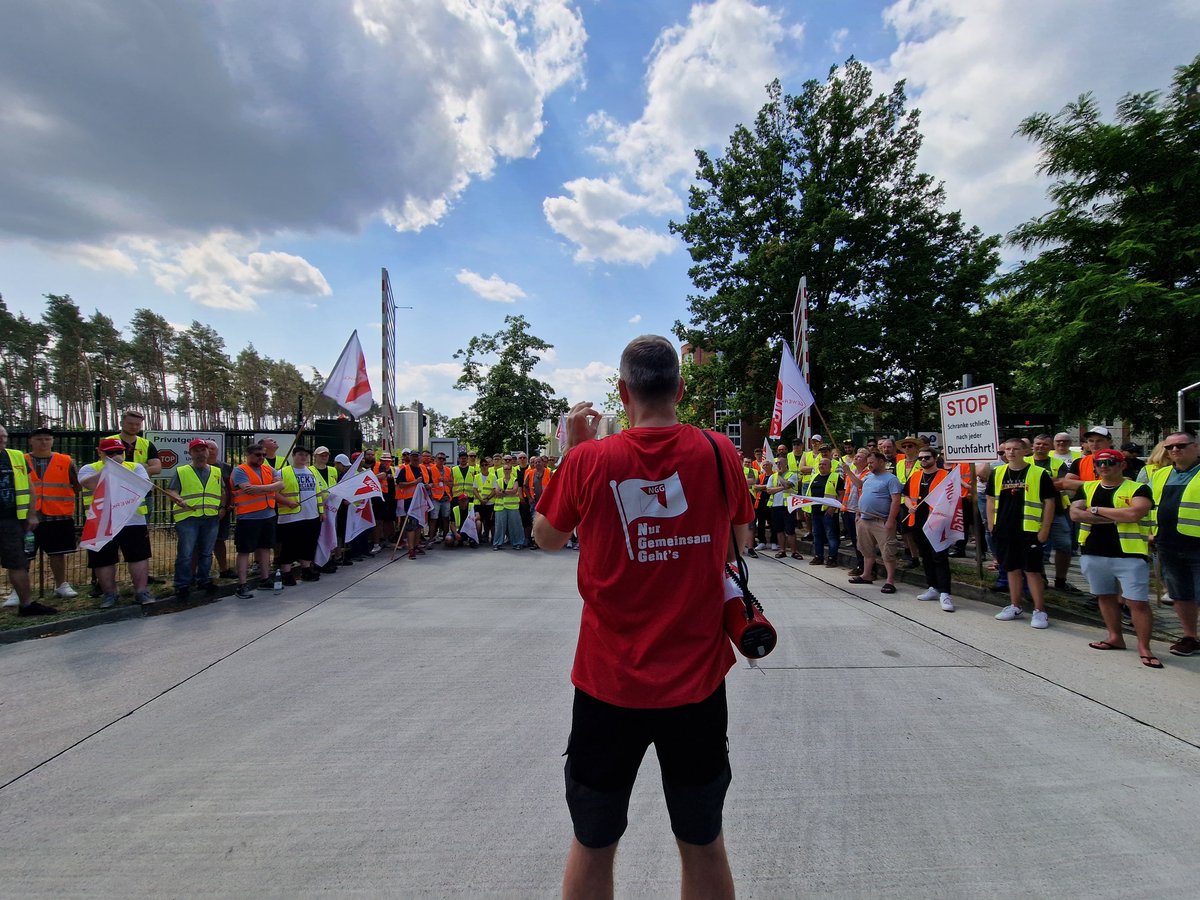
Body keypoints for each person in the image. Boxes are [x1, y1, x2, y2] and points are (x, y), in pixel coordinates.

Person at [532, 335, 753, 900]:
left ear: (622, 392)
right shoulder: (719, 452)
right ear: (679, 388)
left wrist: (570, 453)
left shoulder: (589, 459)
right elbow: (742, 541)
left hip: (608, 684)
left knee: (593, 841)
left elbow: (547, 537)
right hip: (697, 683)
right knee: (703, 840)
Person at [1068, 448, 1158, 667]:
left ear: (1122, 465)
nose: (1104, 466)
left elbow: (1134, 513)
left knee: (1137, 602)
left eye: (1110, 462)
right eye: (1099, 463)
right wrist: (1116, 517)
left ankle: (1144, 647)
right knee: (1105, 597)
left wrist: (1095, 510)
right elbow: (1075, 514)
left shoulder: (1138, 488)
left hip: (1130, 554)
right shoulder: (1087, 487)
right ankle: (1115, 637)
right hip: (1093, 551)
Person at [987, 438, 1058, 629]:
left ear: (1025, 451)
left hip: (1029, 529)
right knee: (1011, 568)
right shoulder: (997, 472)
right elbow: (990, 499)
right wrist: (992, 524)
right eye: (1008, 449)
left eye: (1016, 449)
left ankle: (1040, 610)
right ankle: (1015, 606)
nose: (1011, 452)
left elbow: (1050, 502)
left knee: (1032, 570)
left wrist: (1045, 528)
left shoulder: (1039, 473)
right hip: (1004, 528)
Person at [79, 438, 153, 609]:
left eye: (119, 452)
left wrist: (118, 469)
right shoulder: (89, 469)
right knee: (103, 560)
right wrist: (109, 468)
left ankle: (141, 591)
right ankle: (110, 594)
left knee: (138, 556)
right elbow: (89, 484)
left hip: (132, 520)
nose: (115, 456)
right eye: (110, 453)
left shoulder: (136, 467)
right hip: (101, 522)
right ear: (100, 453)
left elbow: (144, 486)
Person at [1148, 431, 1200, 657]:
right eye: (1170, 447)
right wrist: (1150, 533)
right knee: (1180, 593)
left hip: (1197, 545)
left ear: (1196, 447)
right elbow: (1150, 507)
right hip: (1168, 543)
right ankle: (1190, 637)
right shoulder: (1160, 475)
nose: (1175, 450)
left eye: (1181, 445)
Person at [0, 424, 57, 616]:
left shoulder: (15, 456)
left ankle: (26, 605)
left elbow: (29, 486)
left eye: (4, 436)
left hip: (11, 520)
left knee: (17, 562)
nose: (2, 440)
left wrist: (32, 514)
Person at [23, 427, 81, 601]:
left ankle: (61, 585)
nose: (43, 442)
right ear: (30, 441)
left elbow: (77, 485)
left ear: (53, 441)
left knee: (58, 554)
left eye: (47, 439)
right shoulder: (21, 460)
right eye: (39, 439)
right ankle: (19, 590)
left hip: (58, 515)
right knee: (24, 555)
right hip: (27, 516)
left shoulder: (66, 461)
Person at [163, 439, 222, 599]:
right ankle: (182, 584)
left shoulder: (216, 471)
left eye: (203, 450)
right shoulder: (182, 471)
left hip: (210, 517)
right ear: (190, 453)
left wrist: (222, 507)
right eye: (196, 450)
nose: (200, 453)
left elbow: (221, 491)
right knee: (186, 553)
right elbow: (171, 490)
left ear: (208, 452)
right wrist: (178, 499)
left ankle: (204, 580)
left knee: (206, 552)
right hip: (188, 517)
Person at [903, 447, 956, 612]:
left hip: (937, 522)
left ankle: (945, 592)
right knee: (925, 556)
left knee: (939, 557)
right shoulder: (916, 475)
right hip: (918, 522)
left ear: (934, 458)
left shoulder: (945, 476)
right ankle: (932, 587)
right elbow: (907, 496)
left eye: (927, 457)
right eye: (921, 458)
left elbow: (952, 498)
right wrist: (910, 506)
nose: (923, 460)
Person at [843, 451, 901, 593]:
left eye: (872, 463)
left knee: (887, 552)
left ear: (881, 462)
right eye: (868, 463)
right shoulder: (868, 476)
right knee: (866, 550)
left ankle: (890, 581)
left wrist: (891, 520)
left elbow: (896, 500)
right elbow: (860, 486)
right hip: (864, 520)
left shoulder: (891, 479)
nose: (869, 465)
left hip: (881, 521)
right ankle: (866, 574)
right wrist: (849, 472)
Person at [231, 442, 283, 598]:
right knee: (245, 550)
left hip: (268, 515)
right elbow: (248, 489)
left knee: (265, 548)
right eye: (258, 455)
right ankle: (242, 584)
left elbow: (280, 484)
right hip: (248, 517)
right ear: (248, 455)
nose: (261, 457)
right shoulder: (240, 470)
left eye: (263, 455)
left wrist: (260, 488)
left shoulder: (268, 469)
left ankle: (264, 579)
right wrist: (271, 487)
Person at [275, 446, 325, 583]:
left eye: (306, 455)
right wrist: (287, 502)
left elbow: (318, 493)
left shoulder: (312, 472)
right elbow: (274, 493)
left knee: (308, 544)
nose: (303, 457)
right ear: (293, 456)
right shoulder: (283, 472)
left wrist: (321, 511)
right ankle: (286, 573)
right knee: (289, 545)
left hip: (311, 515)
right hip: (291, 516)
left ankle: (306, 570)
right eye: (300, 454)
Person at [205, 439, 235, 578]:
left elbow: (231, 488)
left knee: (220, 540)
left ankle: (224, 569)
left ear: (217, 451)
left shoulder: (225, 467)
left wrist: (228, 506)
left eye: (213, 448)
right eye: (207, 448)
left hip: (223, 511)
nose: (210, 450)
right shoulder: (195, 468)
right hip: (202, 511)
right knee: (200, 543)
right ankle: (200, 574)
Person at [804, 455, 842, 567]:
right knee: (817, 535)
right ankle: (818, 557)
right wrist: (807, 509)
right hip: (815, 512)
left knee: (831, 536)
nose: (821, 466)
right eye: (820, 464)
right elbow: (809, 495)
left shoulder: (836, 477)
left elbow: (841, 494)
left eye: (824, 464)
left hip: (829, 513)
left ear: (830, 467)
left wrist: (833, 507)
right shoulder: (814, 477)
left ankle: (832, 558)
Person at [106, 410, 162, 476]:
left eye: (137, 424)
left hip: (139, 482)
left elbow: (157, 468)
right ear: (121, 423)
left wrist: (124, 467)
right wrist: (140, 467)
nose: (134, 427)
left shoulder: (147, 444)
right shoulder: (108, 441)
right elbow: (101, 465)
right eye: (130, 424)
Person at [491, 454, 525, 550]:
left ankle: (518, 543)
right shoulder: (498, 480)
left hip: (513, 507)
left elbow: (514, 491)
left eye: (508, 469)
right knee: (499, 526)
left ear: (511, 470)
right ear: (503, 470)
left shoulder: (515, 479)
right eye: (505, 469)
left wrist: (503, 492)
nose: (507, 471)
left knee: (515, 525)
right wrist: (508, 492)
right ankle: (497, 543)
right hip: (500, 507)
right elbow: (497, 492)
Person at [523, 455, 552, 549]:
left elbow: (556, 485)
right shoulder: (530, 473)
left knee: (546, 523)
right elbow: (525, 486)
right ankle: (536, 542)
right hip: (535, 502)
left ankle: (546, 542)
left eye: (539, 462)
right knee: (535, 523)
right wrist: (529, 498)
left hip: (546, 502)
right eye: (535, 462)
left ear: (543, 463)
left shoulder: (549, 472)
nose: (537, 463)